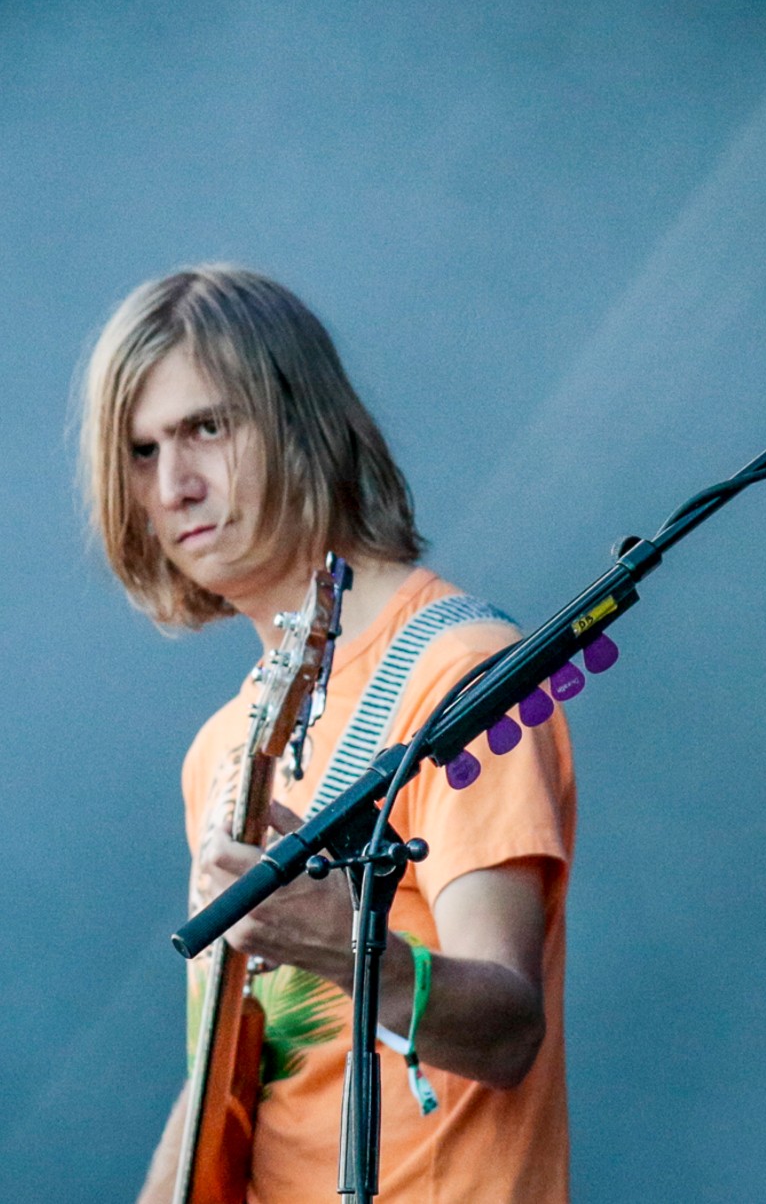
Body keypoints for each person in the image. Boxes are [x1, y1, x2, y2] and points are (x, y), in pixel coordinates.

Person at [81, 266, 575, 1203]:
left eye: (205, 429)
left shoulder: (456, 670)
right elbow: (231, 1082)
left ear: (300, 420)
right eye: (141, 453)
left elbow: (508, 1031)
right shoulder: (222, 752)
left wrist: (342, 939)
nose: (174, 485)